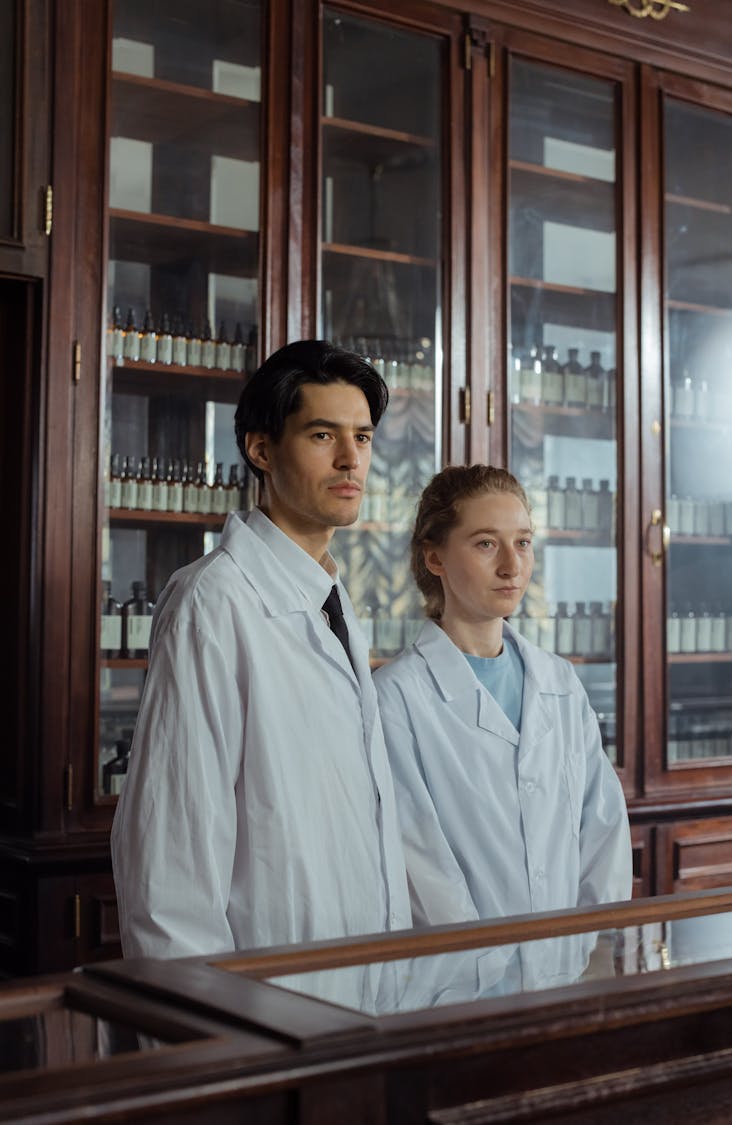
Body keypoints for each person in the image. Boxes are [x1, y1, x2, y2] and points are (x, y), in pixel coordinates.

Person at [111, 340, 411, 976]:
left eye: (363, 437)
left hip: (359, 986)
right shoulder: (212, 602)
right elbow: (171, 857)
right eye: (323, 435)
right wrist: (213, 1042)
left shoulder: (329, 598)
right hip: (265, 1003)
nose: (351, 458)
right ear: (260, 448)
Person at [374, 464, 631, 991]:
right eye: (487, 544)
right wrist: (484, 973)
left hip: (566, 974)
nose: (513, 565)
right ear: (435, 556)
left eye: (524, 543)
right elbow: (418, 861)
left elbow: (602, 829)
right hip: (456, 991)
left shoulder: (558, 682)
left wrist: (591, 945)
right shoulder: (396, 697)